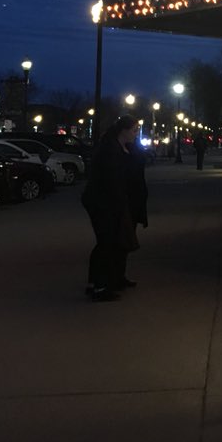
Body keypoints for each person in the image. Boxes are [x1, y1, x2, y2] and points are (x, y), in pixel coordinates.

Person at [81, 115, 143, 302]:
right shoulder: (109, 150)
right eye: (134, 130)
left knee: (114, 241)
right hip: (103, 202)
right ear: (123, 130)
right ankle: (100, 285)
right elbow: (108, 180)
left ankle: (110, 279)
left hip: (116, 200)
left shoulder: (121, 147)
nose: (136, 134)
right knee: (107, 241)